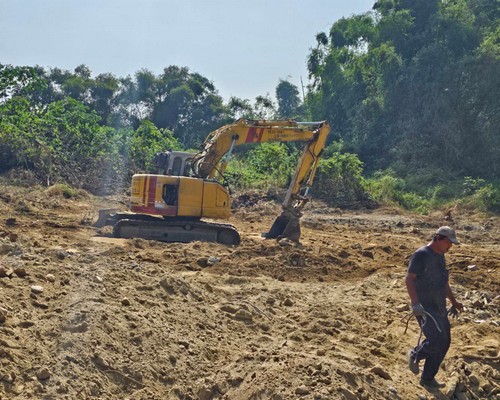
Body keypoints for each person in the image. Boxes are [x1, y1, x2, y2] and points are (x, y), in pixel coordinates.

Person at [405, 226, 464, 388]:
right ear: (438, 238)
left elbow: (444, 283)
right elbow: (409, 279)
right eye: (448, 243)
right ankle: (415, 354)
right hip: (425, 307)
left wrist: (453, 302)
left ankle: (428, 378)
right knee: (436, 340)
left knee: (445, 342)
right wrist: (415, 303)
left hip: (439, 305)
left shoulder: (440, 256)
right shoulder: (421, 255)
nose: (450, 247)